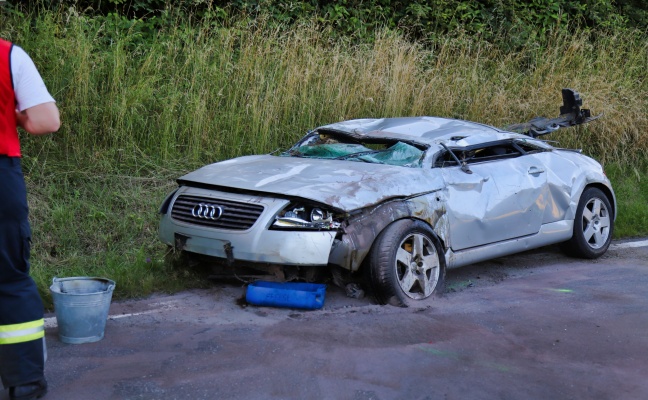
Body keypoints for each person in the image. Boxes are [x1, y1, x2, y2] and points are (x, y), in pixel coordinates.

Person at [0, 38, 60, 400]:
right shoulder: (8, 54)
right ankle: (24, 383)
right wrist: (18, 117)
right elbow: (46, 121)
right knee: (9, 278)